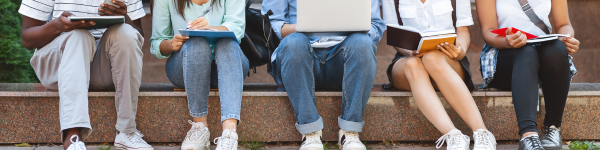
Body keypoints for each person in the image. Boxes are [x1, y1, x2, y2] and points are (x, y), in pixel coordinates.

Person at [19, 0, 150, 149]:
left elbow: (137, 35)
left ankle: (127, 132)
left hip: (102, 68)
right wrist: (58, 26)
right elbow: (27, 38)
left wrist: (124, 17)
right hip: (59, 65)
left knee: (127, 33)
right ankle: (73, 137)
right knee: (79, 36)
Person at [261, 0, 385, 150]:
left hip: (344, 59)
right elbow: (270, 23)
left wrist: (354, 29)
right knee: (294, 43)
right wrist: (300, 28)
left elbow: (376, 25)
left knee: (362, 43)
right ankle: (310, 134)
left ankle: (349, 133)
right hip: (299, 59)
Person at [381, 0, 497, 149]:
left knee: (432, 58)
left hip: (448, 59)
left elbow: (463, 31)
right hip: (408, 59)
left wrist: (460, 50)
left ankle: (482, 133)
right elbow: (394, 36)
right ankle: (454, 135)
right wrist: (412, 52)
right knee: (413, 64)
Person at [476, 0, 579, 149]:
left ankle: (553, 128)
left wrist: (567, 37)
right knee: (526, 51)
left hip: (544, 55)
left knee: (557, 48)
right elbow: (488, 31)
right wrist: (507, 41)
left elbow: (563, 23)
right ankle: (528, 136)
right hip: (504, 56)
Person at [150, 0, 246, 149]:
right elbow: (156, 42)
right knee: (197, 43)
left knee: (227, 42)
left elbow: (237, 29)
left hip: (228, 67)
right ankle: (199, 128)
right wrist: (171, 44)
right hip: (185, 67)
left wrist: (210, 28)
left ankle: (229, 134)